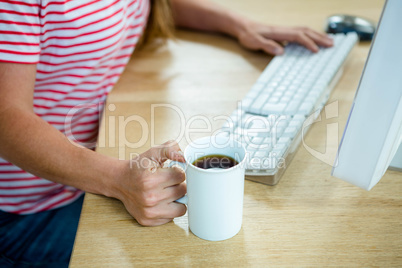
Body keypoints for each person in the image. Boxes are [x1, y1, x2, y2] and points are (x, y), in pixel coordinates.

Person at [0, 0, 333, 266]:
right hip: (30, 211)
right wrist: (118, 178)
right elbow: (5, 118)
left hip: (87, 171)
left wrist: (239, 24)